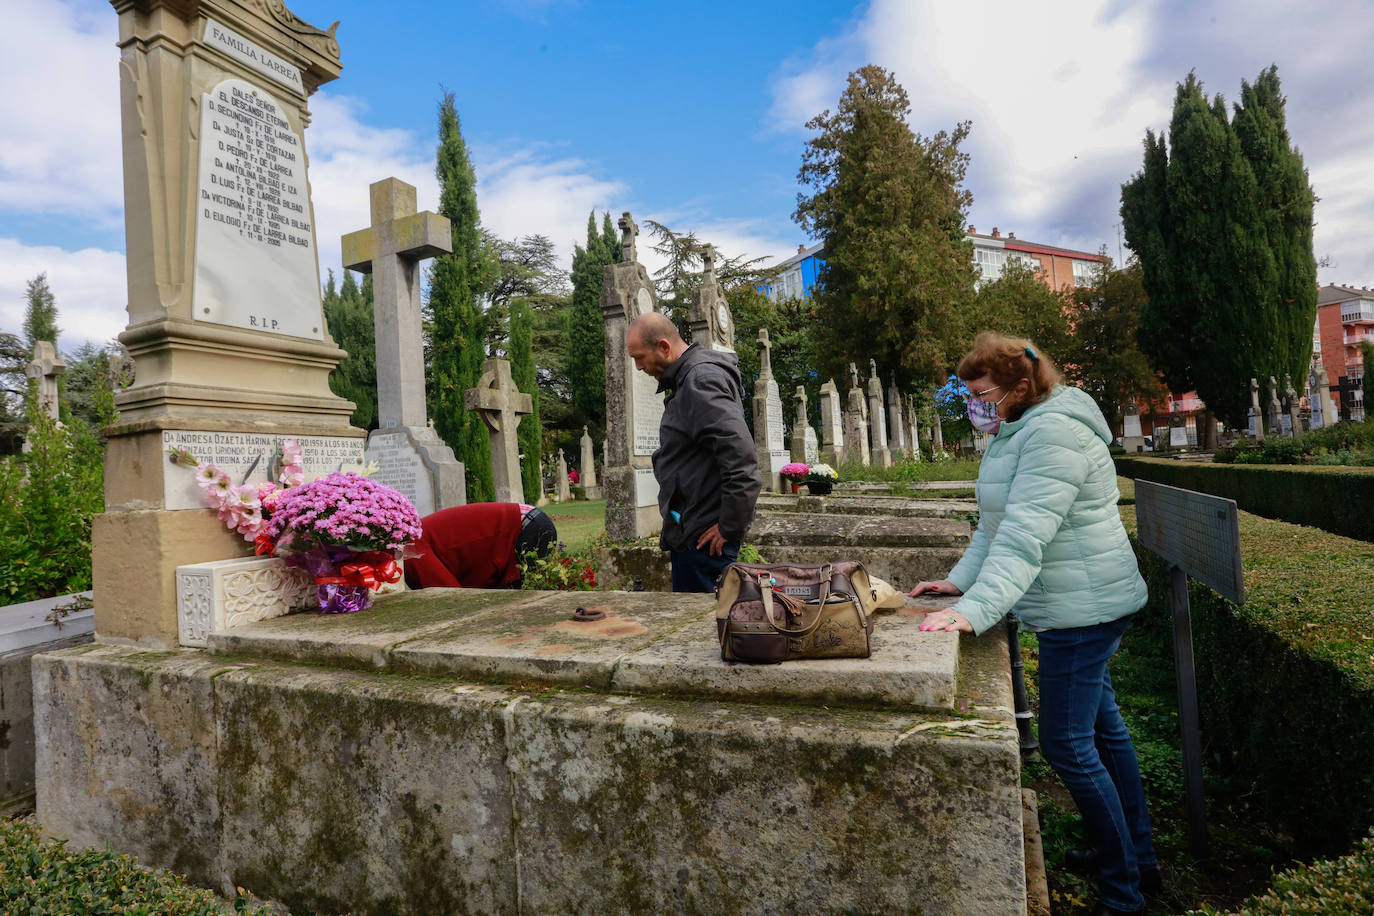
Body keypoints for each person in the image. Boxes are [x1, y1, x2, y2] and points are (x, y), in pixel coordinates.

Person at [909, 332, 1158, 916]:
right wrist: (960, 582)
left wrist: (971, 614)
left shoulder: (1052, 433)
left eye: (982, 393)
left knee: (1066, 746)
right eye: (968, 393)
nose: (974, 403)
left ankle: (1124, 893)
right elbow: (994, 524)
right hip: (1078, 599)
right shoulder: (1017, 427)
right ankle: (1136, 858)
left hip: (1083, 609)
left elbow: (1025, 537)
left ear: (1022, 386)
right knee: (1103, 733)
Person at [625, 311, 761, 592]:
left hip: (705, 543)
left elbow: (742, 460)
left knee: (706, 628)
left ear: (664, 347)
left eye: (639, 357)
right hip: (693, 532)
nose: (638, 367)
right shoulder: (688, 379)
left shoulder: (700, 380)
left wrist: (729, 527)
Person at [403, 502, 557, 589]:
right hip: (529, 521)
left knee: (524, 604)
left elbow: (451, 599)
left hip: (525, 527)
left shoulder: (410, 549)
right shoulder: (412, 540)